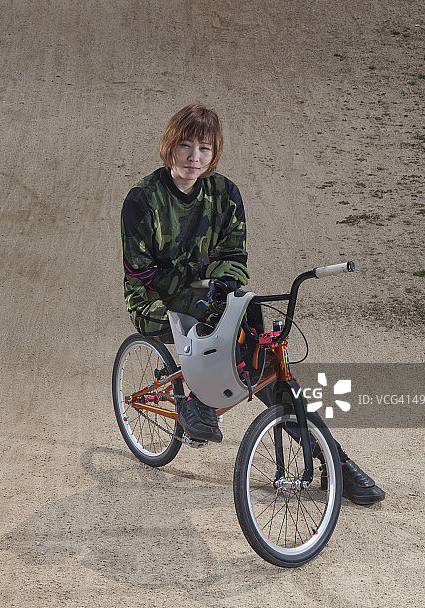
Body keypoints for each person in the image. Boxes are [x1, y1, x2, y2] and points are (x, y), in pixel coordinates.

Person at [121, 103, 385, 504]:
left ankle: (335, 462)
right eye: (186, 146)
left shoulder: (225, 194)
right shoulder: (142, 200)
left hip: (211, 295)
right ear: (169, 145)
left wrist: (220, 288)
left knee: (261, 350)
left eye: (205, 149)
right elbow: (142, 272)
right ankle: (197, 395)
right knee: (219, 326)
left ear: (215, 153)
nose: (194, 158)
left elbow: (234, 256)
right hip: (155, 301)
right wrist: (199, 294)